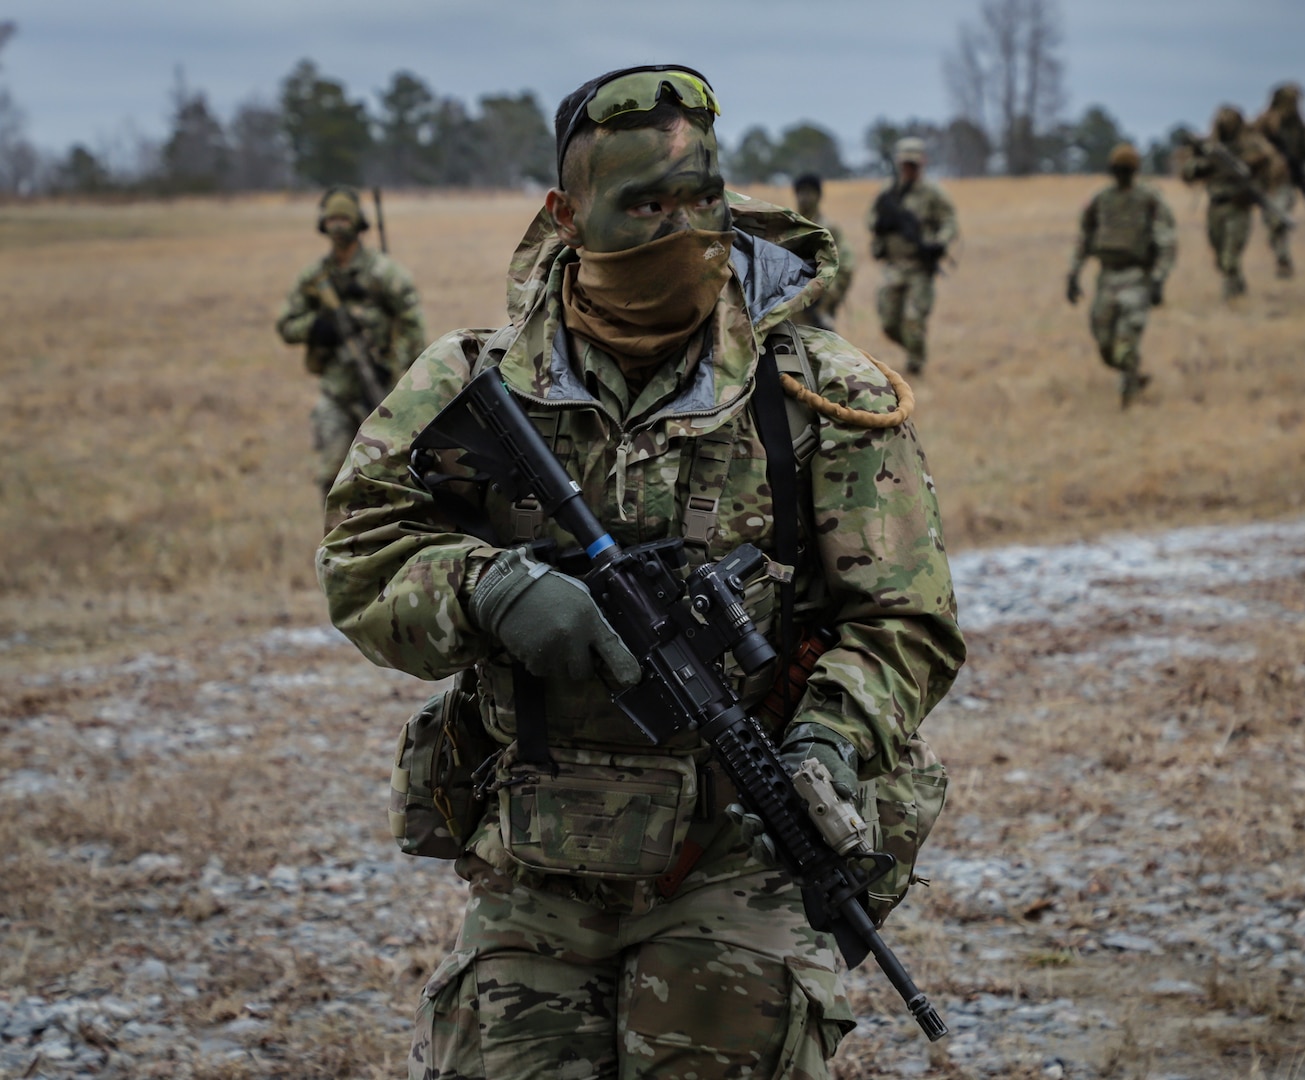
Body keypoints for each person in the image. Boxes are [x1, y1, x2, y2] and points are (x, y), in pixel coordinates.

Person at [316, 64, 964, 1079]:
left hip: (740, 849)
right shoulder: (471, 386)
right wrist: (489, 591)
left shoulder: (821, 394)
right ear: (565, 215)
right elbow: (360, 554)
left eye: (700, 197)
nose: (681, 227)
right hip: (537, 855)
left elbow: (904, 621)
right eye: (644, 204)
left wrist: (832, 742)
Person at [276, 186, 427, 494]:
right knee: (332, 479)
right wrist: (315, 327)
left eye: (344, 218)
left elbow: (413, 328)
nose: (338, 226)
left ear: (358, 223)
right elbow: (286, 325)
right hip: (337, 393)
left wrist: (396, 366)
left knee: (389, 477)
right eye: (332, 219)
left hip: (383, 393)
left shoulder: (383, 273)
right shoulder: (314, 277)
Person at [1066, 143, 1177, 409]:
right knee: (1104, 341)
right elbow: (1085, 238)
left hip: (1136, 277)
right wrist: (1073, 274)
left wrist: (1159, 278)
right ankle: (1134, 376)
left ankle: (1128, 395)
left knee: (1127, 338)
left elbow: (1166, 241)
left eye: (1126, 170)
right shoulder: (1101, 199)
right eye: (1118, 170)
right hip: (1106, 278)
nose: (1122, 175)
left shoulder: (1149, 199)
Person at [866, 136, 957, 375]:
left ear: (923, 163)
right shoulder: (889, 192)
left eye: (913, 164)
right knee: (888, 323)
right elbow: (871, 218)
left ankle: (916, 365)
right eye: (905, 164)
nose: (908, 169)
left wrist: (939, 243)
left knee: (913, 320)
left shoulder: (932, 193)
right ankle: (915, 351)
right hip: (893, 266)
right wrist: (882, 224)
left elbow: (950, 221)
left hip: (919, 268)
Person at [1181, 105, 1284, 300]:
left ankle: (1230, 297)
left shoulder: (1253, 145)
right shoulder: (1209, 148)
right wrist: (1202, 166)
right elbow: (1188, 172)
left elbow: (1270, 167)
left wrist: (1254, 175)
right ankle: (1238, 284)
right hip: (1215, 205)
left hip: (1239, 206)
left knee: (1231, 257)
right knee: (1220, 256)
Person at [1255, 82, 1305, 278]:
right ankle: (1282, 257)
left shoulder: (1301, 127)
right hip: (1266, 183)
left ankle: (1283, 260)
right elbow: (1251, 146)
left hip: (1287, 183)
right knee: (1272, 223)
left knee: (1278, 219)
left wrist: (1303, 174)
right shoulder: (1264, 123)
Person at [791, 172, 855, 331]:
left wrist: (830, 294)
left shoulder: (828, 229)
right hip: (790, 303)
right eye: (801, 192)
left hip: (819, 303)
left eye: (809, 192)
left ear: (818, 196)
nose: (804, 197)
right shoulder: (788, 227)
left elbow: (846, 263)